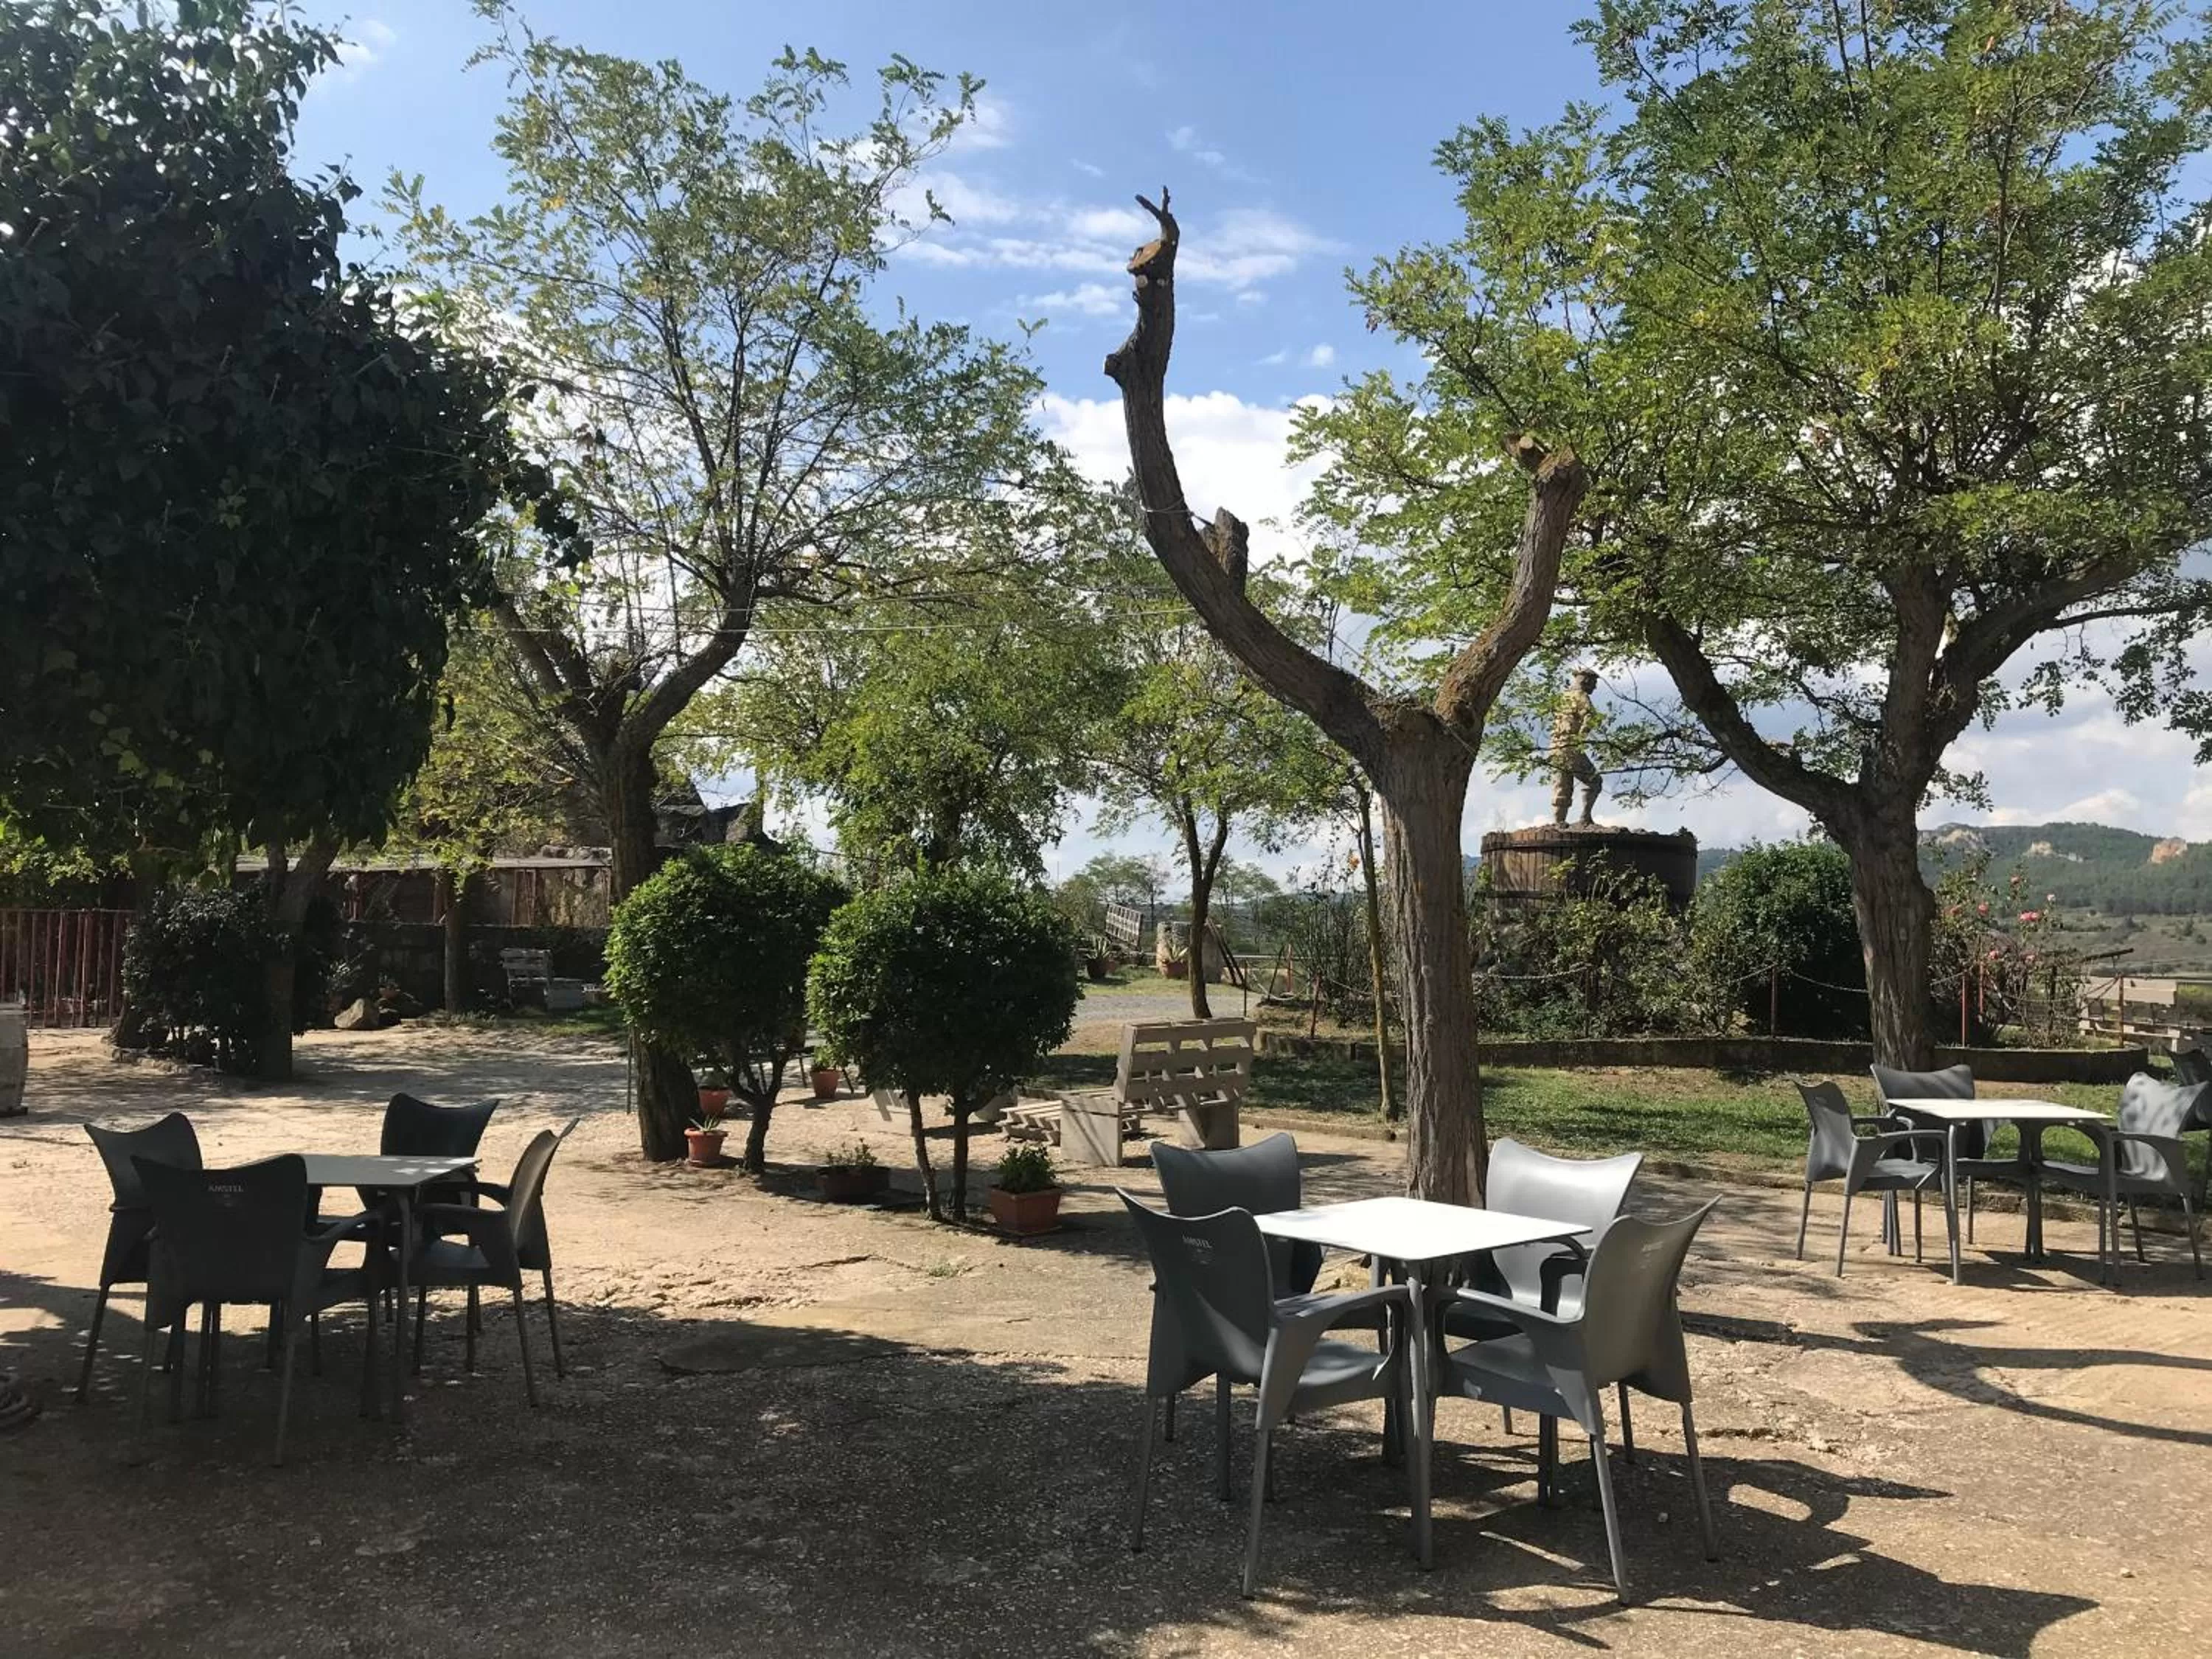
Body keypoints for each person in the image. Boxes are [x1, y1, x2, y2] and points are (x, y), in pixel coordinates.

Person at [1550, 669, 1602, 826]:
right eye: (1594, 683)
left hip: (1554, 748)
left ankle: (1558, 823)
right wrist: (1580, 738)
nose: (1595, 687)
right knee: (1595, 781)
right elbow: (1591, 718)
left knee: (1562, 787)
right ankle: (1585, 818)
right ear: (1585, 680)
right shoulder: (1581, 697)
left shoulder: (1563, 697)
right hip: (1570, 748)